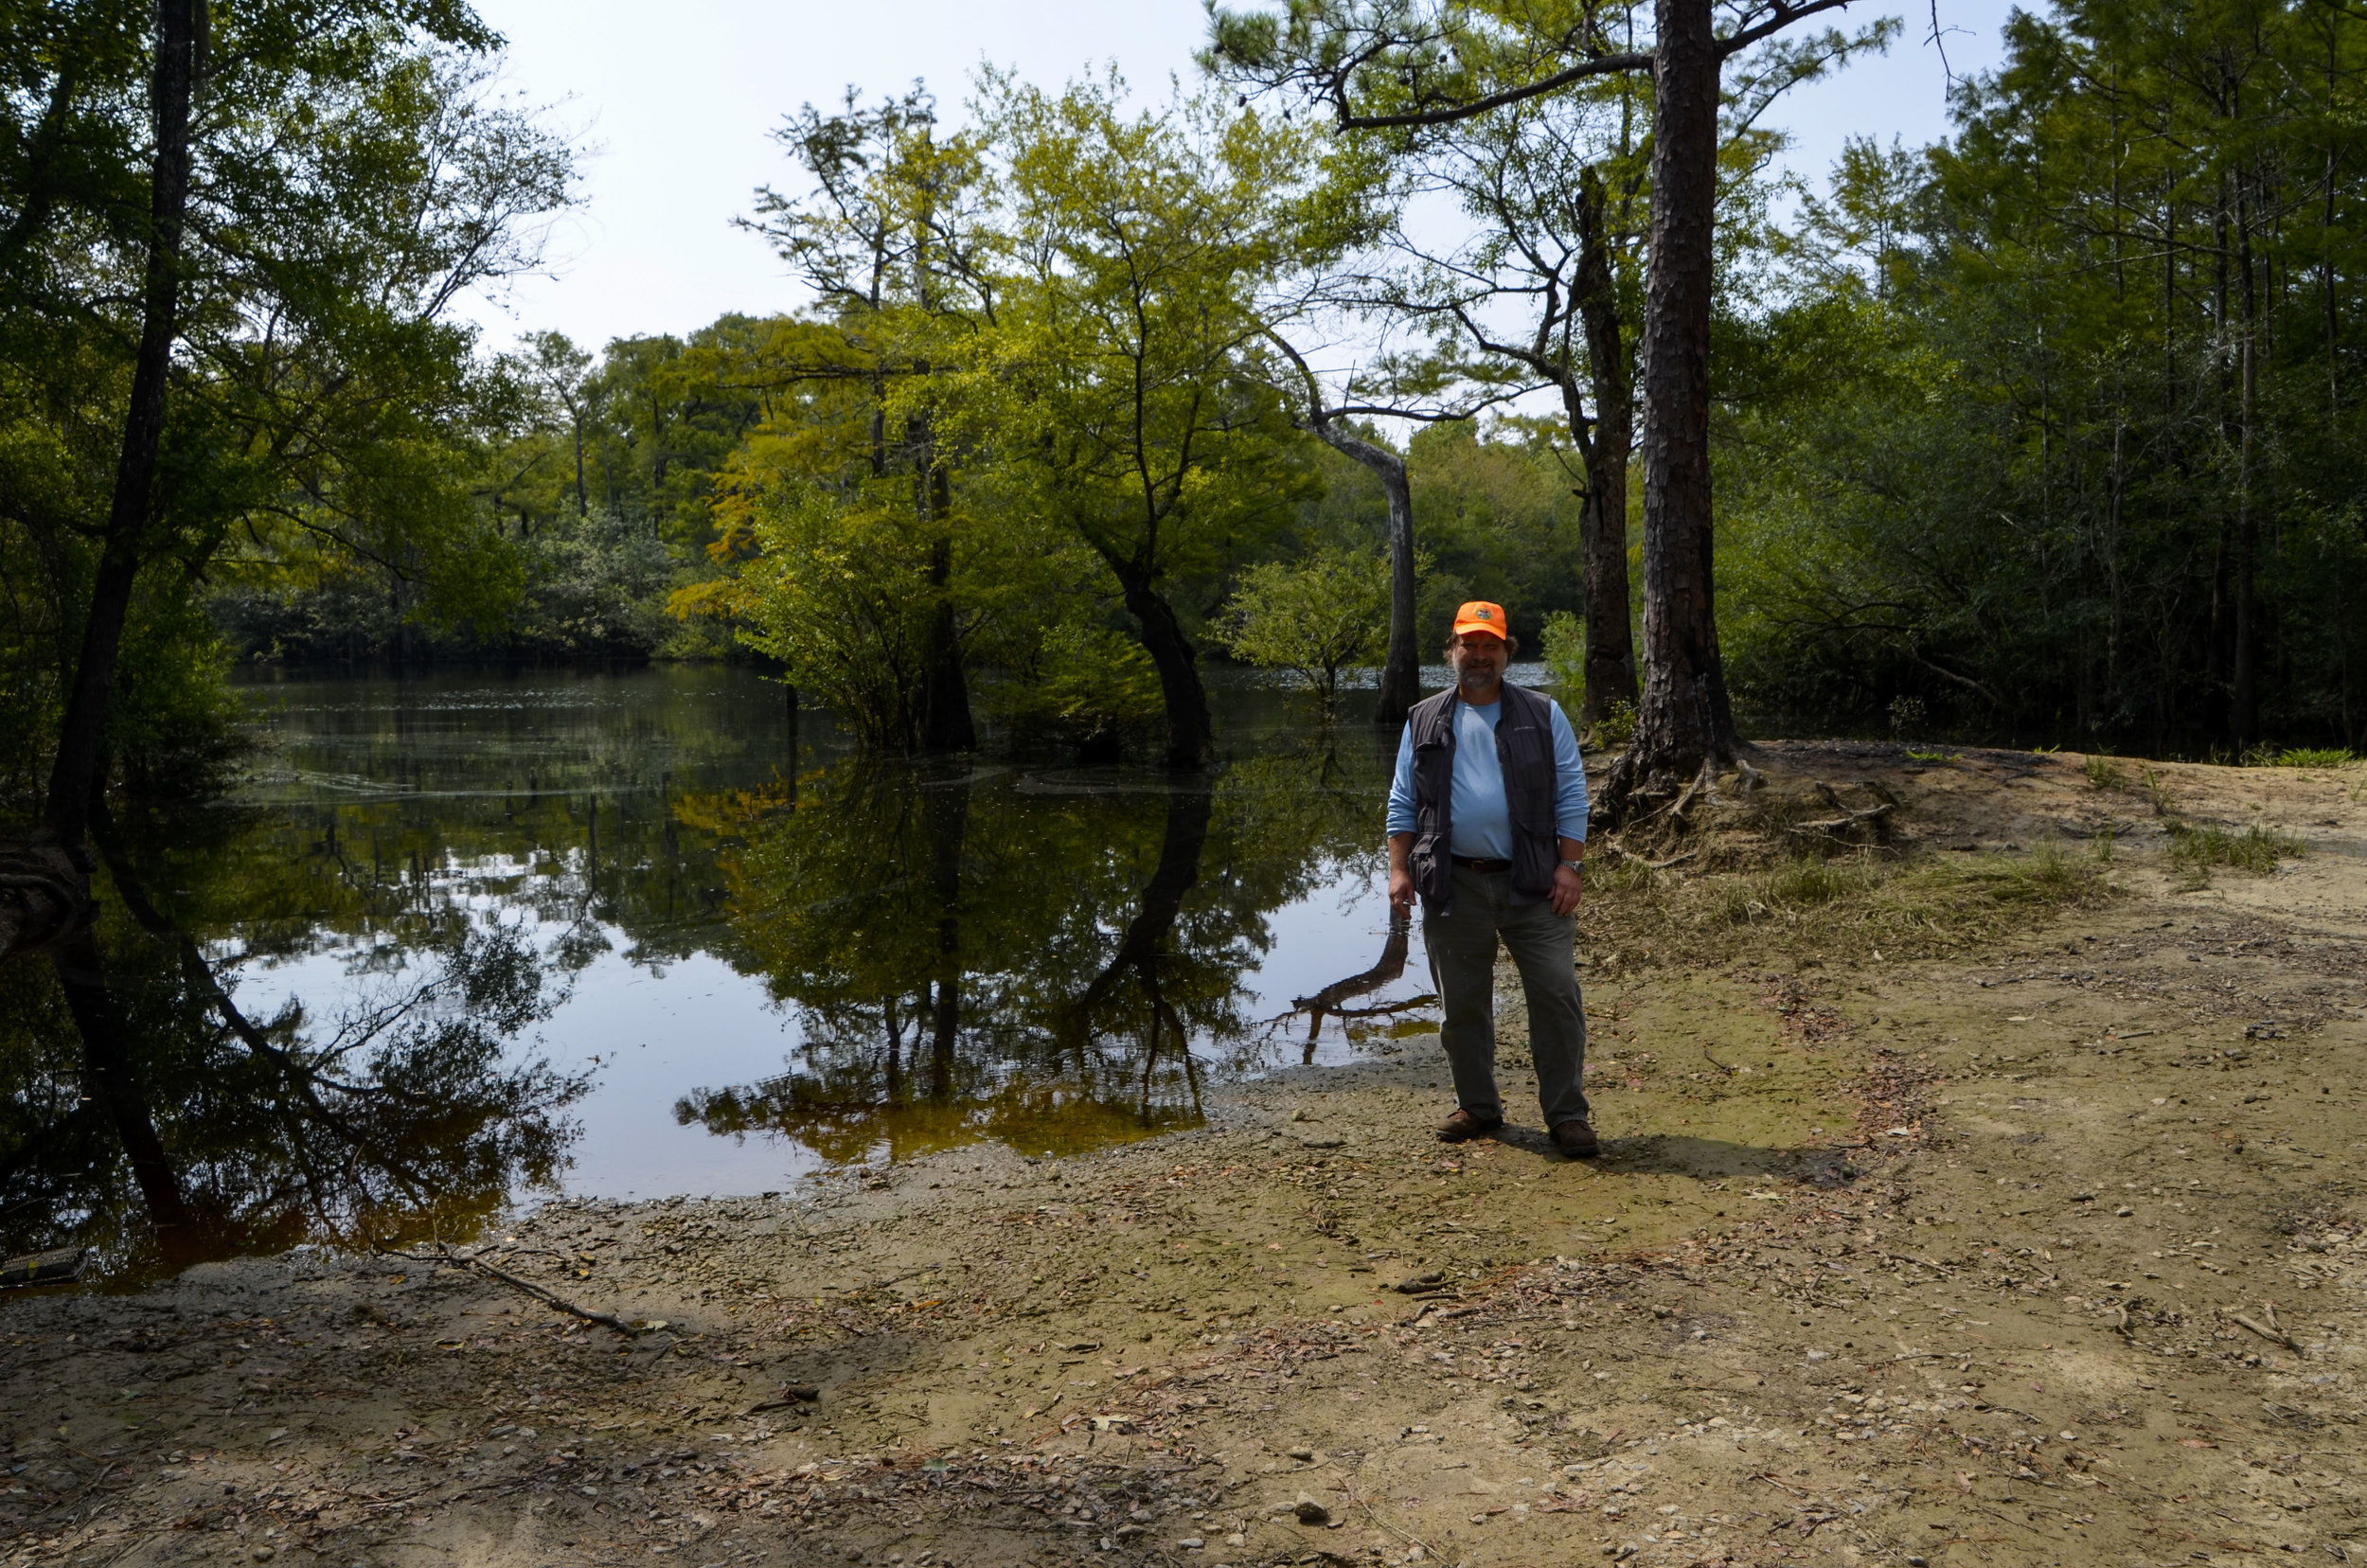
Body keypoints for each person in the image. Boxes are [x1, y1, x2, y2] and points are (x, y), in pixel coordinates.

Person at [1384, 601, 1596, 1157]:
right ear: (1452, 650)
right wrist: (1399, 869)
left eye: (1490, 645)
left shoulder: (1543, 713)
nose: (1479, 655)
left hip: (1533, 884)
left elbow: (1573, 794)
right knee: (1462, 1006)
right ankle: (1478, 1107)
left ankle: (1568, 1115)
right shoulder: (1422, 717)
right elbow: (1403, 800)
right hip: (1453, 885)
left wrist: (1569, 866)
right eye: (1469, 644)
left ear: (1507, 653)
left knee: (1556, 995)